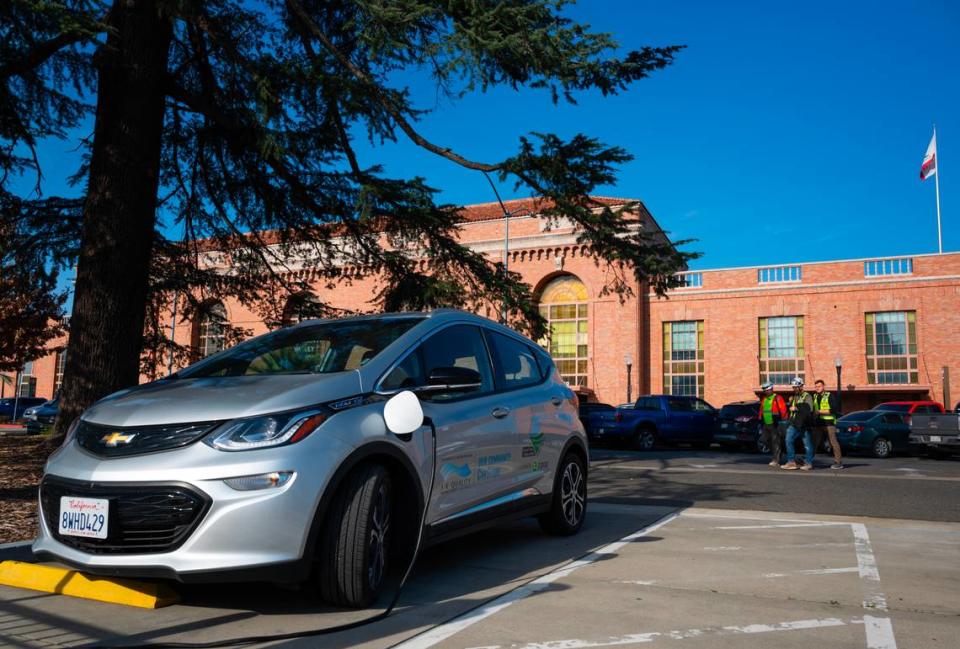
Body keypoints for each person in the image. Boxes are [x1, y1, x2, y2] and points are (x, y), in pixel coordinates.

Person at [781, 377, 814, 471]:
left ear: (801, 386)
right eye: (793, 387)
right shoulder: (795, 396)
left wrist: (796, 408)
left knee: (806, 443)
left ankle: (807, 463)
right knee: (789, 439)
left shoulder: (807, 396)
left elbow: (809, 409)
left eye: (796, 387)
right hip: (795, 423)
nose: (794, 389)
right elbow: (792, 409)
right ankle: (792, 461)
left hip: (803, 423)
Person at [812, 379, 844, 469]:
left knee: (833, 442)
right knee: (814, 443)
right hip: (819, 424)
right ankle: (808, 460)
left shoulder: (829, 395)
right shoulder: (814, 396)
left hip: (829, 423)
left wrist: (820, 411)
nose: (817, 388)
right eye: (816, 387)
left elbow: (834, 410)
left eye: (819, 386)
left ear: (823, 386)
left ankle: (838, 462)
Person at [758, 381, 787, 467]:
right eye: (764, 390)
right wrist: (760, 419)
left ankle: (776, 460)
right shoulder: (764, 399)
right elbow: (761, 410)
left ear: (771, 389)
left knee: (775, 442)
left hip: (775, 424)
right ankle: (779, 452)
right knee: (763, 440)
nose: (766, 392)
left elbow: (783, 410)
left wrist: (782, 421)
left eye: (767, 390)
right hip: (766, 424)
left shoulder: (778, 398)